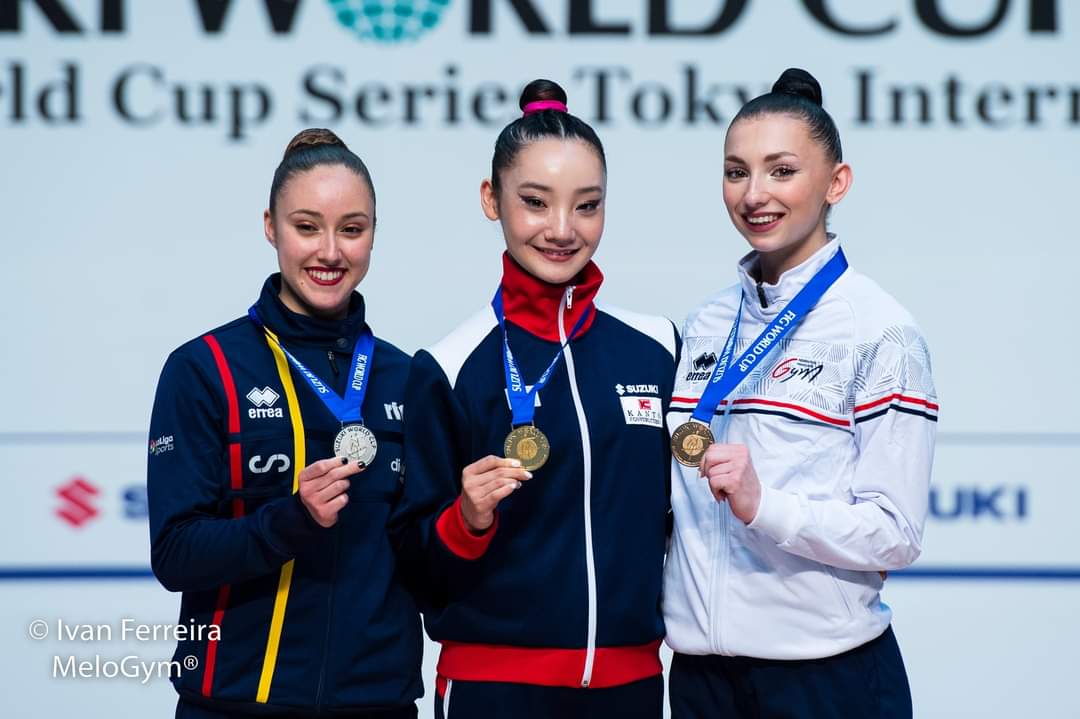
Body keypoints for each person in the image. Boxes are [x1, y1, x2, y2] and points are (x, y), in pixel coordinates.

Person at [389, 79, 678, 719]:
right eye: (535, 203)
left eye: (587, 205)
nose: (561, 229)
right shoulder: (450, 365)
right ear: (492, 200)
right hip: (494, 690)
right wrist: (466, 519)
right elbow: (413, 560)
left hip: (629, 687)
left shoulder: (656, 349)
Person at [663, 68, 937, 718]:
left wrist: (766, 505)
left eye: (781, 170)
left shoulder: (880, 330)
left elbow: (896, 532)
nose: (754, 193)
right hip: (701, 677)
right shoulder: (705, 322)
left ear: (836, 182)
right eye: (736, 172)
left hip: (826, 679)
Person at [147, 128, 422, 718]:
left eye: (352, 229)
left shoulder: (407, 377)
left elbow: (422, 556)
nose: (330, 252)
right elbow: (175, 554)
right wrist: (289, 520)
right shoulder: (206, 368)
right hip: (235, 702)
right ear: (270, 227)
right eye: (306, 227)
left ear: (374, 234)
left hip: (378, 703)